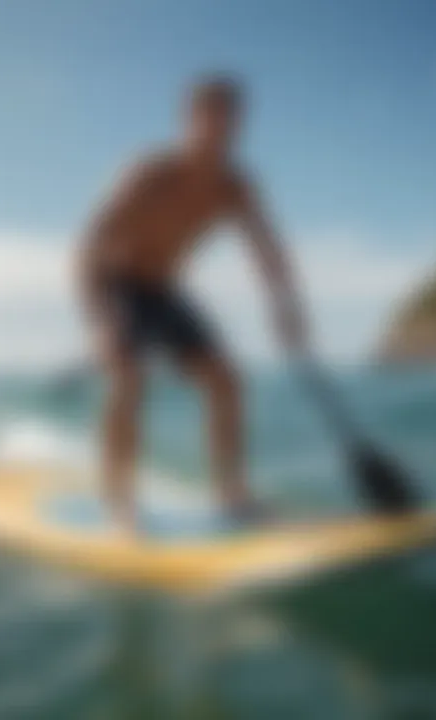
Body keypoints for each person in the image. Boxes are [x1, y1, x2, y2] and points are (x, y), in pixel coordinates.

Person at [76, 76, 308, 533]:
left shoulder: (234, 185)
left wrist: (287, 309)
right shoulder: (150, 172)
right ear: (187, 119)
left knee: (227, 381)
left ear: (239, 125)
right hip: (116, 282)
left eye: (228, 120)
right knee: (128, 378)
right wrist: (99, 322)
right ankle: (119, 502)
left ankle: (231, 495)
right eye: (208, 118)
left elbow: (267, 248)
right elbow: (90, 244)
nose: (217, 131)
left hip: (163, 289)